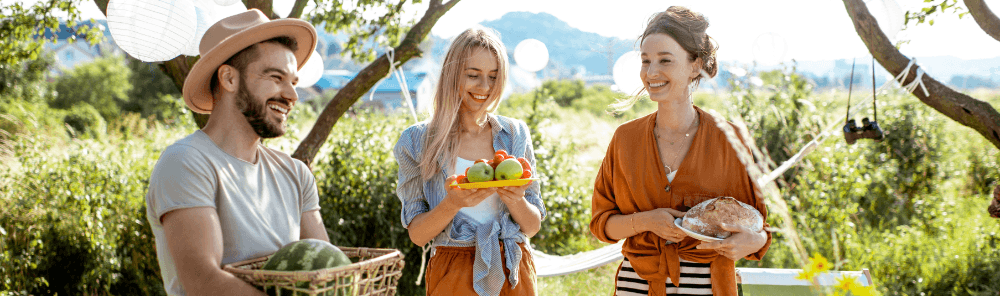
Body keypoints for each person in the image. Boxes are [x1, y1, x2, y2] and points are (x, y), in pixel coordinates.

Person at [589, 6, 772, 296]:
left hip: (708, 287)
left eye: (665, 60)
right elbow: (602, 225)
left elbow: (759, 227)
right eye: (646, 61)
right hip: (635, 286)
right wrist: (647, 221)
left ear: (695, 66)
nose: (651, 72)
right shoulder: (625, 139)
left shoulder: (730, 140)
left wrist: (753, 240)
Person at [145, 9, 329, 296]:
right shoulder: (186, 163)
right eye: (276, 77)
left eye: (293, 82)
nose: (292, 96)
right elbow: (204, 282)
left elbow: (327, 274)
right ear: (229, 78)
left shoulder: (296, 174)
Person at [392, 26, 545, 296]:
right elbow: (418, 235)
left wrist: (516, 199)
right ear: (452, 75)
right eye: (473, 75)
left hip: (513, 268)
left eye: (493, 77)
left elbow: (532, 227)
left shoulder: (514, 134)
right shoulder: (416, 141)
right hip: (453, 270)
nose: (485, 87)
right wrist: (452, 204)